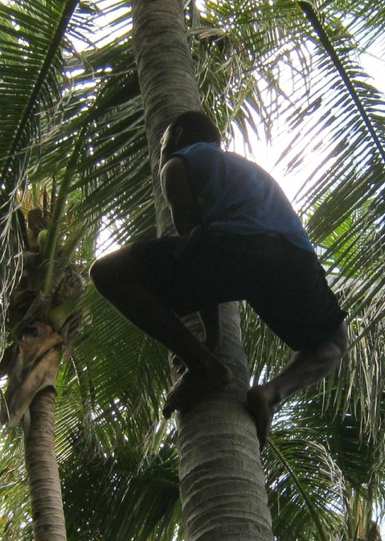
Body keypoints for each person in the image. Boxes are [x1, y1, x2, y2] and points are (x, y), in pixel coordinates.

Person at [89, 110, 347, 447]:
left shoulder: (179, 164)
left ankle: (204, 368)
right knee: (335, 341)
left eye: (163, 141)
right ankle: (272, 393)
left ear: (178, 135)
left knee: (106, 273)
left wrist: (209, 342)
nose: (161, 151)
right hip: (294, 260)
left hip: (238, 247)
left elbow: (194, 245)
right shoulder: (249, 170)